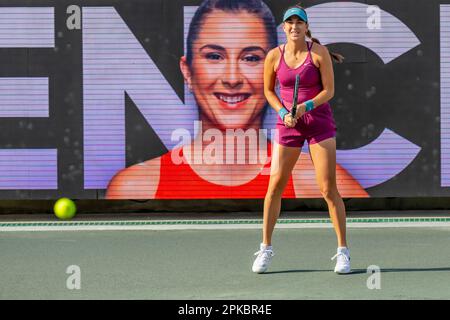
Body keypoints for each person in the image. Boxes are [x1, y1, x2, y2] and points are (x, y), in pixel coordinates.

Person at [105, 0, 367, 200]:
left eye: (251, 58)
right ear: (187, 70)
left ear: (273, 70)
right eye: (214, 57)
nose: (232, 78)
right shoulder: (135, 185)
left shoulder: (315, 181)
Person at [252, 6, 352, 274]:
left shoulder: (318, 53)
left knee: (328, 189)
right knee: (274, 187)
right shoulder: (274, 56)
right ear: (283, 28)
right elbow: (268, 91)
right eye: (290, 22)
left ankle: (343, 252)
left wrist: (305, 107)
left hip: (318, 124)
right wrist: (284, 113)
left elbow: (329, 91)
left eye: (299, 22)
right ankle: (265, 248)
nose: (294, 26)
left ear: (306, 28)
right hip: (288, 125)